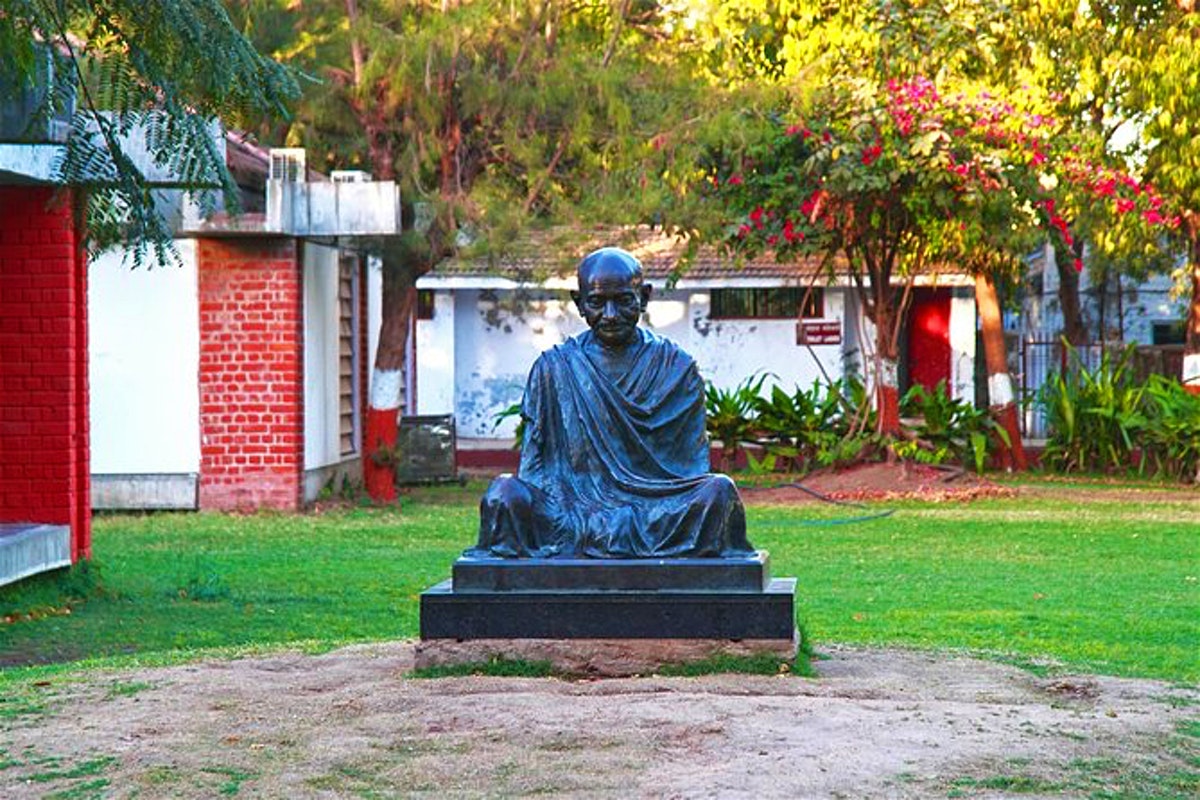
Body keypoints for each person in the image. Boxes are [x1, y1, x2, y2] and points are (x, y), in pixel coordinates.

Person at [465, 247, 755, 559]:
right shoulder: (554, 368)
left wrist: (631, 507)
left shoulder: (676, 367)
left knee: (719, 492)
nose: (611, 314)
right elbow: (535, 468)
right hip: (571, 507)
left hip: (655, 507)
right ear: (579, 303)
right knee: (504, 493)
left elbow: (690, 466)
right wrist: (575, 508)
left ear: (644, 297)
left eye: (623, 301)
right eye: (597, 302)